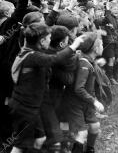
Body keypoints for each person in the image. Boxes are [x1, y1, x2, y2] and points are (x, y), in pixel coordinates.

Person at [9, 23, 84, 153]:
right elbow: (55, 58)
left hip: (31, 107)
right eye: (49, 38)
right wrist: (74, 45)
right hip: (24, 108)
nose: (50, 41)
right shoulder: (33, 56)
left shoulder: (31, 51)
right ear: (42, 41)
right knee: (19, 146)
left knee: (40, 139)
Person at [63, 32, 104, 153]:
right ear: (95, 49)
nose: (102, 46)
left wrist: (97, 64)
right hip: (75, 103)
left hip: (86, 101)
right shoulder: (84, 63)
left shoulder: (87, 60)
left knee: (95, 127)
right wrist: (95, 102)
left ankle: (90, 149)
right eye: (101, 44)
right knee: (81, 134)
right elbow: (78, 89)